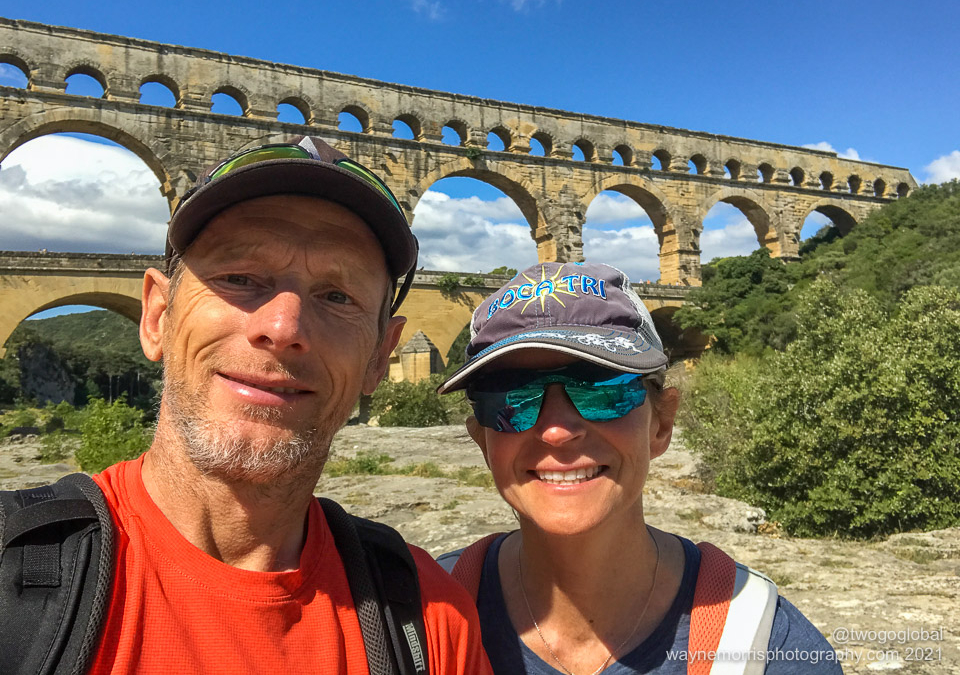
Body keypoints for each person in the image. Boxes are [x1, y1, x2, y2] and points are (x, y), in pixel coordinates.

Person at [66, 136, 490, 673]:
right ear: (157, 316)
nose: (282, 328)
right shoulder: (20, 574)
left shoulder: (430, 621)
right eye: (239, 278)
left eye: (337, 296)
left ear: (382, 356)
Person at [436, 262, 841, 674]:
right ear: (483, 440)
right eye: (511, 398)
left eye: (601, 388)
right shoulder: (414, 615)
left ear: (661, 425)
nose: (557, 431)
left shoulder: (770, 648)